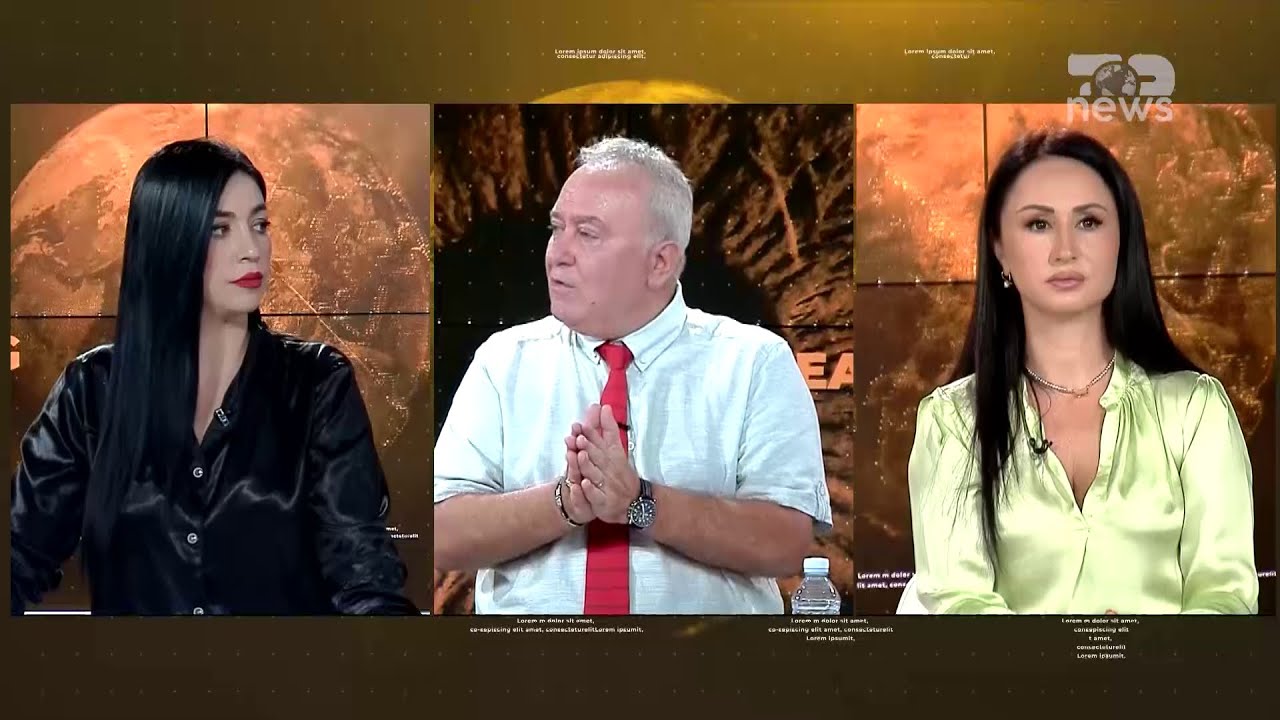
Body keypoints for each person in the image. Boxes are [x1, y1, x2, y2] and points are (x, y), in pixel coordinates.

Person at [10, 138, 418, 616]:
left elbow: (364, 573)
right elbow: (19, 555)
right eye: (220, 229)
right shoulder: (89, 392)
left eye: (259, 225)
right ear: (168, 241)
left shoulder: (318, 385)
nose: (251, 250)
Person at [433, 136, 832, 614]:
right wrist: (565, 503)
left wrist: (641, 504)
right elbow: (443, 533)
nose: (557, 254)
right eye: (557, 228)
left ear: (660, 263)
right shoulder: (503, 362)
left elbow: (785, 543)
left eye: (588, 234)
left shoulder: (753, 362)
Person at [905, 128, 1259, 615]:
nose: (1065, 250)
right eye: (1038, 225)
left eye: (1089, 221)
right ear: (999, 248)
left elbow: (1225, 594)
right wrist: (1065, 653)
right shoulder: (954, 422)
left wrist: (1147, 651)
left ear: (1121, 240)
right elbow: (959, 601)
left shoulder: (1195, 410)